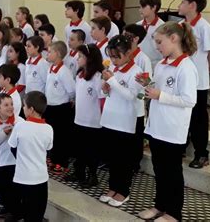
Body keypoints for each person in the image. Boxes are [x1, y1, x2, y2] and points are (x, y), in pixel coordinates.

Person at [137, 21, 198, 221]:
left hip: (172, 129)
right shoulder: (162, 63)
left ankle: (173, 213)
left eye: (159, 42)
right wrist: (147, 84)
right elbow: (159, 89)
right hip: (157, 126)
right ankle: (160, 205)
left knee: (172, 173)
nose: (157, 46)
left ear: (174, 39)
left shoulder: (186, 67)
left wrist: (159, 95)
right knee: (159, 170)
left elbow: (189, 100)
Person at [99, 35, 143, 207]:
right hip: (110, 118)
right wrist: (105, 88)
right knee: (113, 157)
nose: (114, 60)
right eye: (111, 56)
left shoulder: (137, 71)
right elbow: (110, 94)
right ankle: (113, 187)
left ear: (128, 53)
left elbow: (131, 96)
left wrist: (112, 82)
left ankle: (123, 191)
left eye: (117, 56)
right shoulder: (115, 70)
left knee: (124, 159)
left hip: (125, 121)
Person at [178, 0, 210, 169]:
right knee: (181, 115)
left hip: (198, 82)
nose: (180, 5)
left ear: (192, 5)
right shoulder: (180, 25)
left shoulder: (204, 26)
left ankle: (202, 154)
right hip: (182, 78)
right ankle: (181, 146)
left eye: (183, 2)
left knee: (198, 118)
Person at [8, 91, 53, 222]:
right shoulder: (49, 128)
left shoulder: (20, 126)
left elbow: (12, 146)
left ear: (31, 109)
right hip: (40, 177)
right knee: (37, 212)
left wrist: (22, 159)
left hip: (23, 176)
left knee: (23, 209)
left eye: (24, 106)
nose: (23, 108)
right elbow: (48, 148)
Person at [65, 43, 104, 187]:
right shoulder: (80, 75)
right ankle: (79, 172)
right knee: (79, 148)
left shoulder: (97, 76)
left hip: (92, 121)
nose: (77, 58)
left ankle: (92, 176)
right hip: (79, 118)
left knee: (91, 150)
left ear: (90, 58)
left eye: (81, 56)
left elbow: (101, 98)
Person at [0, 93, 24, 217]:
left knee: (15, 190)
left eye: (11, 104)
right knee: (4, 189)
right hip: (3, 161)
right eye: (6, 105)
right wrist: (3, 133)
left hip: (17, 162)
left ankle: (17, 213)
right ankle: (8, 208)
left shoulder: (20, 121)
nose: (10, 107)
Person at [123, 24, 152, 172]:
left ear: (135, 39)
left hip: (136, 106)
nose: (124, 38)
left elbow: (147, 84)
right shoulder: (123, 55)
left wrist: (137, 97)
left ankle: (134, 165)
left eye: (127, 35)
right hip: (122, 105)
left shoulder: (143, 59)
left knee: (135, 138)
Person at [45, 41, 76, 173]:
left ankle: (62, 161)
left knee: (61, 136)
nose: (48, 53)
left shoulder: (64, 71)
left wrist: (68, 101)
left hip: (61, 108)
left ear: (57, 54)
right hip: (50, 107)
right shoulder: (50, 68)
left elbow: (71, 90)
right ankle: (53, 157)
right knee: (52, 135)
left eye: (50, 51)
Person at [136, 0, 165, 68]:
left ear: (154, 7)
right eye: (140, 7)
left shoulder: (163, 27)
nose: (140, 10)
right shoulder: (137, 25)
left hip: (156, 66)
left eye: (143, 7)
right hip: (138, 64)